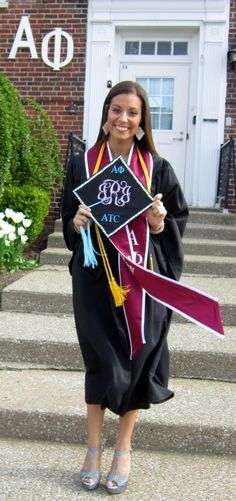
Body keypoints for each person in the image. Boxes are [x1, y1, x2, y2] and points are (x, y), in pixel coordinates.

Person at [61, 80, 188, 494]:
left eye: (132, 113)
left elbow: (174, 225)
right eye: (117, 109)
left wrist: (158, 223)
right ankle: (92, 449)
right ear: (106, 113)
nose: (123, 118)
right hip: (97, 281)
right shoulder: (83, 165)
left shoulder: (157, 168)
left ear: (141, 121)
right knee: (100, 362)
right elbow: (66, 219)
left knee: (137, 361)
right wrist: (76, 224)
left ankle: (123, 448)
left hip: (141, 281)